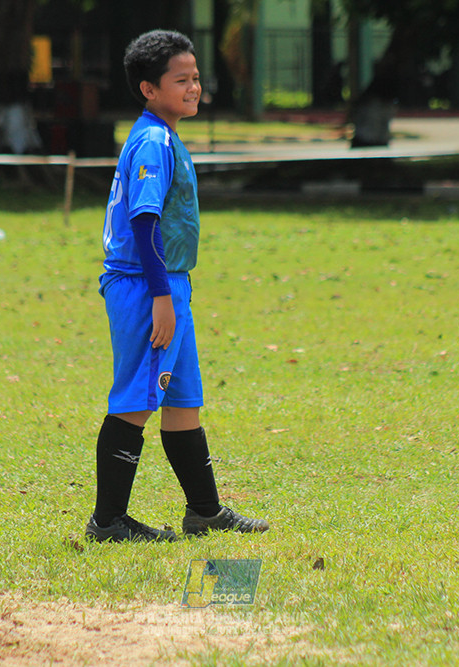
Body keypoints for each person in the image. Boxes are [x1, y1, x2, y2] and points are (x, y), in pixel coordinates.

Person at [86, 30, 269, 543]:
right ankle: (108, 522)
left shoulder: (165, 135)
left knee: (183, 401)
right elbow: (144, 222)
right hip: (149, 286)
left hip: (170, 285)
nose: (194, 88)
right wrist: (162, 297)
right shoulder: (152, 140)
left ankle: (205, 512)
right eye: (181, 80)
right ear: (149, 88)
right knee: (137, 401)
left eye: (196, 78)